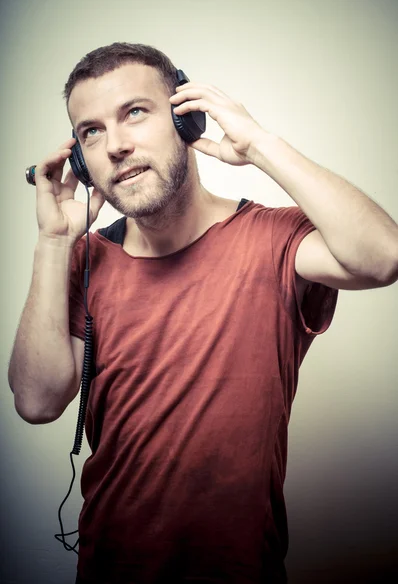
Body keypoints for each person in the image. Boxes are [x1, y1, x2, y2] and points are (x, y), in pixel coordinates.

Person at [8, 42, 398, 584]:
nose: (115, 146)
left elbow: (383, 257)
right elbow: (36, 400)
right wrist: (53, 244)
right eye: (91, 132)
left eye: (135, 112)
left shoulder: (273, 238)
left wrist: (260, 144)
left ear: (185, 120)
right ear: (81, 159)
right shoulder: (84, 261)